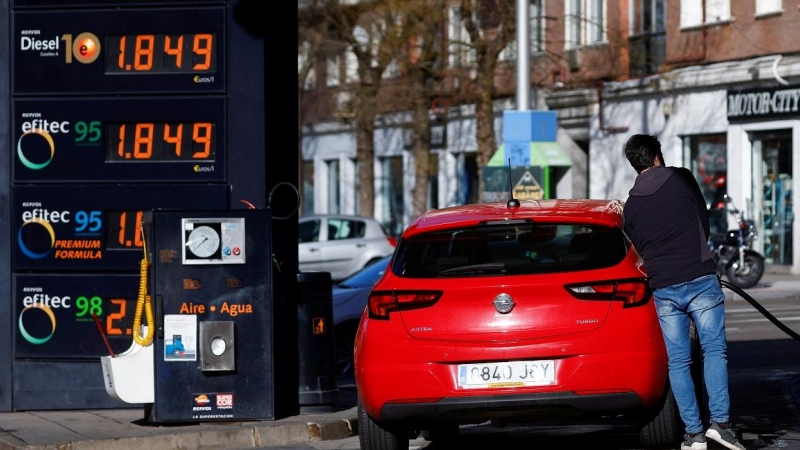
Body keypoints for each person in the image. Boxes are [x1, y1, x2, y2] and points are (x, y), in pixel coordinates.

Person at [621, 134, 745, 450]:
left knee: (678, 363)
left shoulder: (631, 206)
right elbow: (701, 220)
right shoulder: (681, 177)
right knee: (713, 351)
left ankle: (693, 435)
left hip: (663, 287)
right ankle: (721, 425)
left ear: (635, 165)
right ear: (658, 156)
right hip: (698, 276)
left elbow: (639, 246)